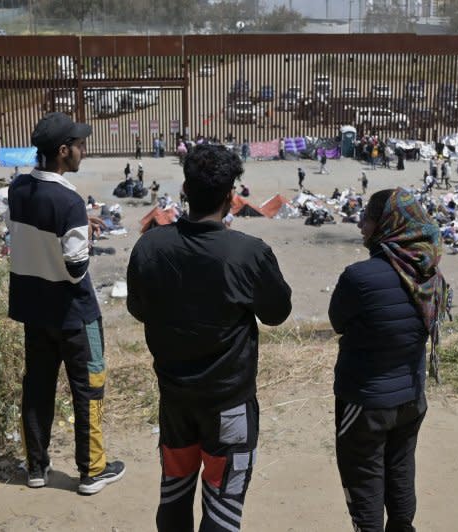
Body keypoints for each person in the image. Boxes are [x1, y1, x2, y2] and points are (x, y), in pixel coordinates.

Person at [126, 144, 292, 532]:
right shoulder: (249, 253)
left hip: (175, 402)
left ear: (185, 189)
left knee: (174, 492)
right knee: (223, 505)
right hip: (229, 404)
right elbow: (277, 314)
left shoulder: (149, 247)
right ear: (231, 197)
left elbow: (138, 309)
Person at [7, 112, 125, 495]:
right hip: (74, 314)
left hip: (33, 309)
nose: (83, 152)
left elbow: (36, 231)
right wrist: (83, 234)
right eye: (79, 146)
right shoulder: (70, 200)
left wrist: (77, 225)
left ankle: (36, 467)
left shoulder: (18, 188)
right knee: (88, 387)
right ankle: (92, 470)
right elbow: (75, 270)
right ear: (63, 152)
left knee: (38, 387)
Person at [329, 187, 447, 532]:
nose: (361, 225)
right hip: (411, 396)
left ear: (386, 223)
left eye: (367, 217)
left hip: (365, 400)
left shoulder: (359, 277)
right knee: (400, 469)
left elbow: (339, 323)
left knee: (363, 478)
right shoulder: (430, 274)